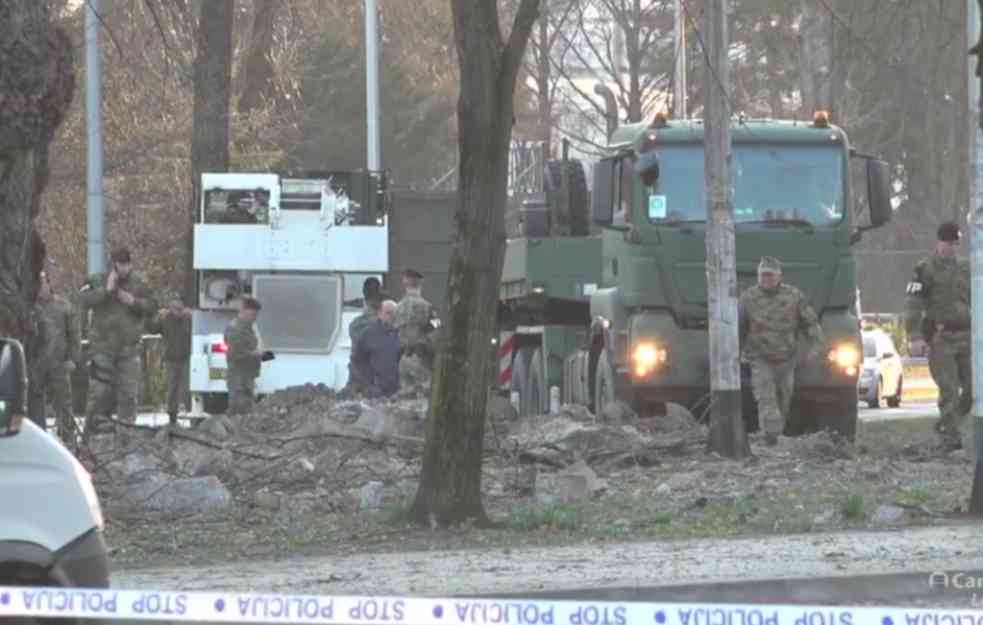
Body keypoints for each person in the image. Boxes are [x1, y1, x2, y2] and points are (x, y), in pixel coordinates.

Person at [738, 256, 825, 446]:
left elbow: (809, 323)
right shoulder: (748, 298)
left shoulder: (794, 296)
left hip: (787, 359)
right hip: (760, 357)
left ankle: (775, 438)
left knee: (783, 401)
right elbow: (739, 327)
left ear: (779, 276)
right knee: (767, 401)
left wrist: (815, 346)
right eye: (762, 275)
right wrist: (735, 353)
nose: (766, 279)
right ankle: (770, 439)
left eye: (770, 275)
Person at [905, 221, 971, 451]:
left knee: (973, 391)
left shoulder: (967, 268)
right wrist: (914, 335)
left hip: (968, 337)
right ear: (939, 242)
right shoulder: (925, 269)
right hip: (942, 339)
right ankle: (951, 439)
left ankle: (947, 425)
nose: (952, 248)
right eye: (948, 243)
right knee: (949, 390)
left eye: (955, 243)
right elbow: (913, 303)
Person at [79, 247, 157, 436]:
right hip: (102, 348)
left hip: (128, 350)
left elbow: (153, 306)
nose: (123, 268)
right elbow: (82, 299)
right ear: (113, 264)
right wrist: (106, 291)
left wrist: (134, 302)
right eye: (119, 264)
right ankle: (93, 435)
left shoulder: (140, 283)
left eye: (126, 264)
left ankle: (126, 437)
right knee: (99, 394)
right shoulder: (97, 280)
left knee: (129, 395)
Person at [29, 271, 80, 440]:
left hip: (59, 364)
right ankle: (38, 439)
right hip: (35, 365)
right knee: (35, 403)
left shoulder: (63, 306)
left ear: (49, 284)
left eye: (42, 283)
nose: (39, 287)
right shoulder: (29, 307)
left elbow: (74, 334)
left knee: (64, 404)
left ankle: (68, 437)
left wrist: (73, 358)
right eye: (36, 283)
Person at [149, 294, 193, 426]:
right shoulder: (165, 319)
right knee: (172, 388)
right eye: (174, 308)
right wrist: (155, 316)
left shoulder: (189, 319)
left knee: (188, 388)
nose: (177, 311)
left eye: (180, 308)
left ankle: (192, 414)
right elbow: (152, 329)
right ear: (170, 308)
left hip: (186, 358)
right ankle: (172, 417)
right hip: (171, 359)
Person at [224, 296, 271, 415]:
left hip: (247, 376)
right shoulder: (235, 328)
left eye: (256, 315)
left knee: (246, 410)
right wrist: (255, 354)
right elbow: (235, 353)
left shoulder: (248, 328)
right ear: (244, 311)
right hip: (238, 377)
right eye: (253, 315)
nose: (255, 318)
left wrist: (262, 355)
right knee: (239, 410)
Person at [352, 299, 400, 398]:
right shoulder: (368, 334)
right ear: (379, 314)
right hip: (376, 392)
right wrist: (368, 385)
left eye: (395, 313)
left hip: (398, 392)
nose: (392, 317)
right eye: (388, 313)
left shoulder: (402, 334)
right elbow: (357, 360)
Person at [394, 269, 435, 370]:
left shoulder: (397, 308)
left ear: (404, 283)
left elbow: (393, 330)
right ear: (421, 284)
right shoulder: (428, 307)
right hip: (422, 359)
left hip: (403, 358)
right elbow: (436, 328)